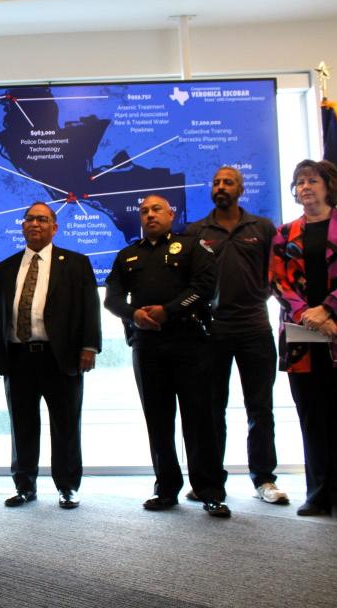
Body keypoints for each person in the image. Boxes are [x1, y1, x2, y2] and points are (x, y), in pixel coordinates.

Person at [104, 194, 231, 518]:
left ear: (171, 214)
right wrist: (134, 315)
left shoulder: (191, 247)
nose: (149, 215)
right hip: (147, 346)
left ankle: (210, 490)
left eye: (156, 209)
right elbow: (112, 298)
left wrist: (168, 311)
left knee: (199, 418)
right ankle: (165, 488)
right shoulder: (128, 254)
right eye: (144, 211)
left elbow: (205, 287)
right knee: (158, 420)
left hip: (189, 341)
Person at [0, 202, 100, 510]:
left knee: (66, 425)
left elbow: (90, 309)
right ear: (22, 226)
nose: (35, 224)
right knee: (22, 425)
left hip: (60, 357)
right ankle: (25, 486)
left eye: (42, 219)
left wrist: (89, 347)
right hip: (18, 357)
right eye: (30, 219)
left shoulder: (75, 263)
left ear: (54, 227)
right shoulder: (5, 268)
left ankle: (68, 486)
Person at [270, 159, 337, 521]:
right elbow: (278, 283)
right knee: (311, 415)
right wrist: (307, 315)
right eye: (299, 182)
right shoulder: (283, 234)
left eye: (312, 181)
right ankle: (316, 494)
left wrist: (327, 309)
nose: (305, 187)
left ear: (329, 186)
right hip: (302, 336)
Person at [184, 166, 288, 504]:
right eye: (216, 182)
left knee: (260, 408)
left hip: (255, 328)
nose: (221, 187)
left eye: (228, 182)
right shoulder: (196, 230)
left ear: (241, 189)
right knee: (212, 409)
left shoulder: (262, 227)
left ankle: (264, 480)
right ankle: (210, 481)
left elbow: (277, 273)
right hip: (212, 331)